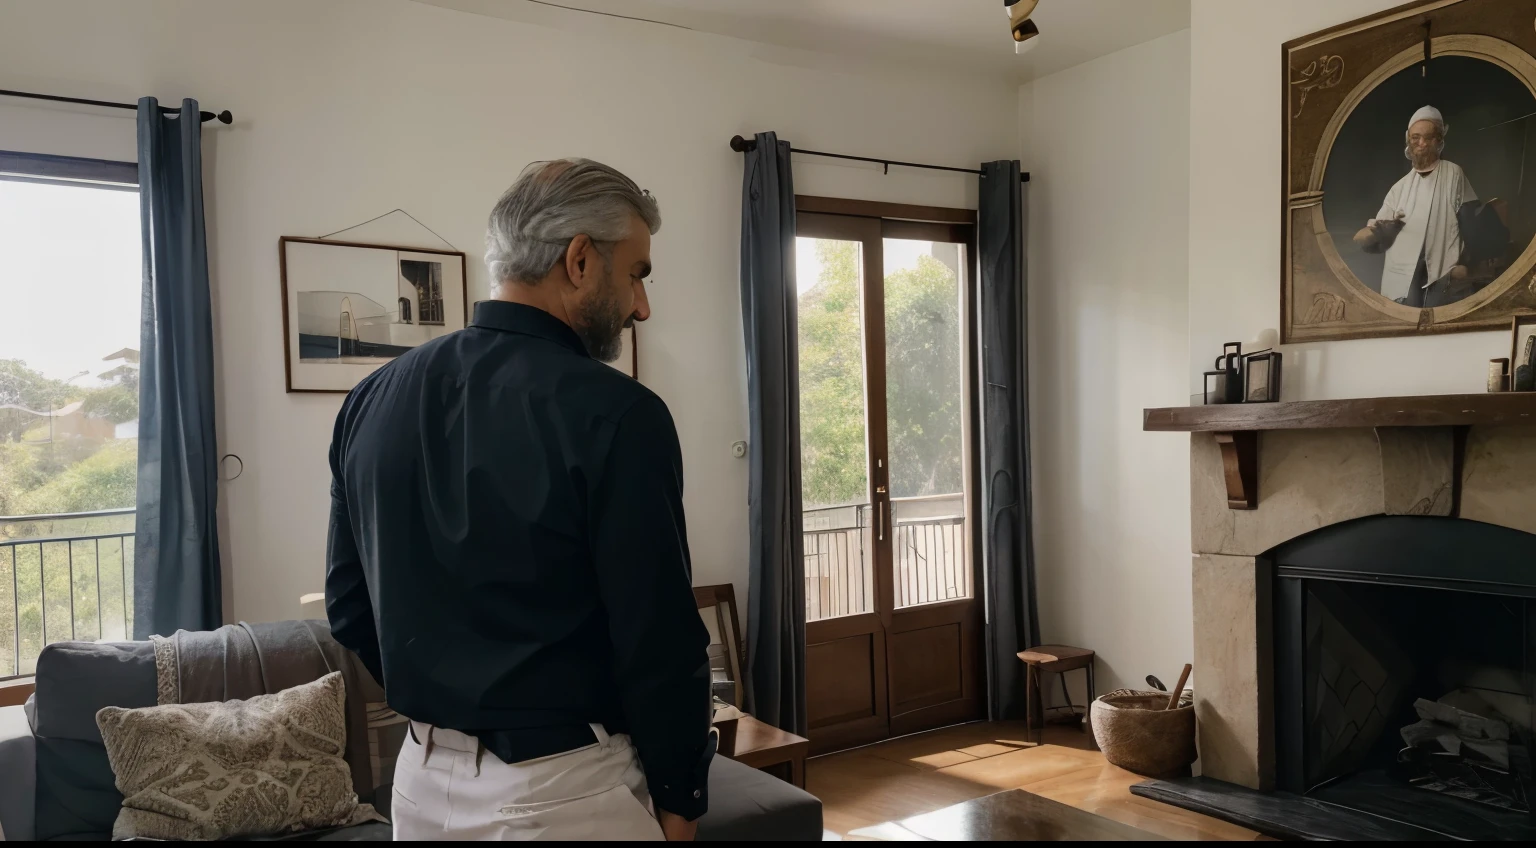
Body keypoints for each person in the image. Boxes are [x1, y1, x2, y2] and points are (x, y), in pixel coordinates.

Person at [325, 159, 713, 841]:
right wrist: (680, 800)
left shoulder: (369, 400)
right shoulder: (619, 414)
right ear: (581, 260)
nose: (642, 306)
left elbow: (351, 606)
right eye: (637, 274)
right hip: (562, 794)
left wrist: (455, 700)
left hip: (417, 791)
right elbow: (658, 639)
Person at [1353, 105, 1478, 306]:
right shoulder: (1398, 188)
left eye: (1428, 138)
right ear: (1408, 140)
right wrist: (1371, 234)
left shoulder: (1453, 173)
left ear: (1439, 141)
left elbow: (1470, 221)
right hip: (1404, 275)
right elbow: (1376, 231)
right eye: (1415, 137)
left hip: (1442, 270)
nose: (1422, 143)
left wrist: (1465, 263)